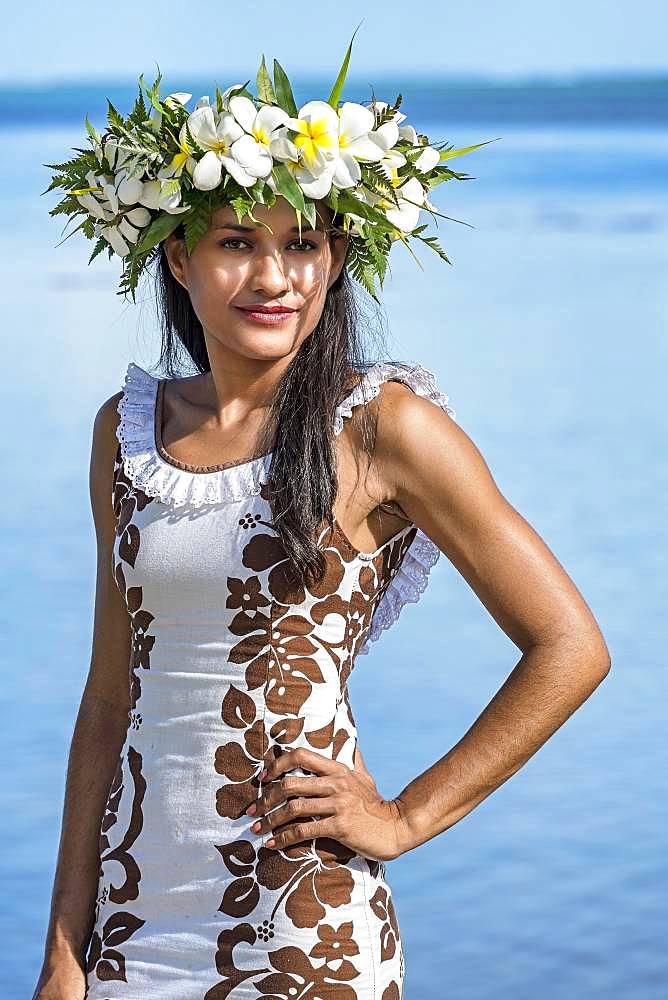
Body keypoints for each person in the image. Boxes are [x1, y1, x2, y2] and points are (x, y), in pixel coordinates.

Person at [33, 56, 610, 1000]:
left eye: (303, 245)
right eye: (234, 244)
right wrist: (65, 944)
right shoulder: (128, 433)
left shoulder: (384, 428)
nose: (274, 278)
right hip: (133, 918)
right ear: (178, 259)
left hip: (300, 917)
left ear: (335, 260)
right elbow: (109, 697)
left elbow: (570, 647)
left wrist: (405, 817)